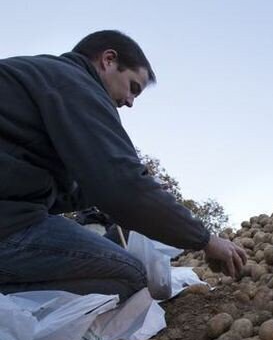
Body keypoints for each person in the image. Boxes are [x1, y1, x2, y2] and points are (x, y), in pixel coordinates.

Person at [0, 30, 246, 301]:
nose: (129, 102)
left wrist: (141, 194)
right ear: (108, 60)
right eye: (133, 87)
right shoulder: (75, 84)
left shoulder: (41, 79)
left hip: (11, 213)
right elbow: (121, 185)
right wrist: (206, 240)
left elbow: (65, 190)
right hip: (9, 224)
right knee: (129, 275)